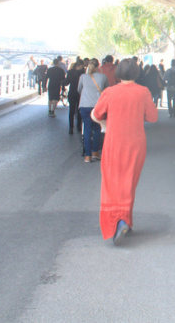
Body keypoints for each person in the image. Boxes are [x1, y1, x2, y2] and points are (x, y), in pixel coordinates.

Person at [91, 58, 158, 245]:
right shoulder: (143, 92)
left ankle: (117, 221)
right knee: (129, 181)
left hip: (114, 142)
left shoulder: (109, 92)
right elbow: (152, 117)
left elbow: (96, 114)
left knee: (111, 182)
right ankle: (125, 220)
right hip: (136, 143)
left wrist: (105, 122)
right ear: (136, 73)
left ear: (118, 73)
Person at [78, 58, 108, 163]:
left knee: (87, 129)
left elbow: (79, 89)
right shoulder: (102, 77)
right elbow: (106, 90)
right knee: (96, 129)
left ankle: (87, 156)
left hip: (84, 105)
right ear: (98, 66)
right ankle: (95, 152)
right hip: (97, 106)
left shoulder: (83, 77)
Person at [65, 60, 86, 135]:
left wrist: (62, 82)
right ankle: (79, 127)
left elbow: (66, 82)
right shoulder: (83, 73)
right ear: (79, 66)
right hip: (80, 93)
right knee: (79, 110)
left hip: (72, 92)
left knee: (71, 110)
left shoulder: (70, 72)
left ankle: (71, 127)